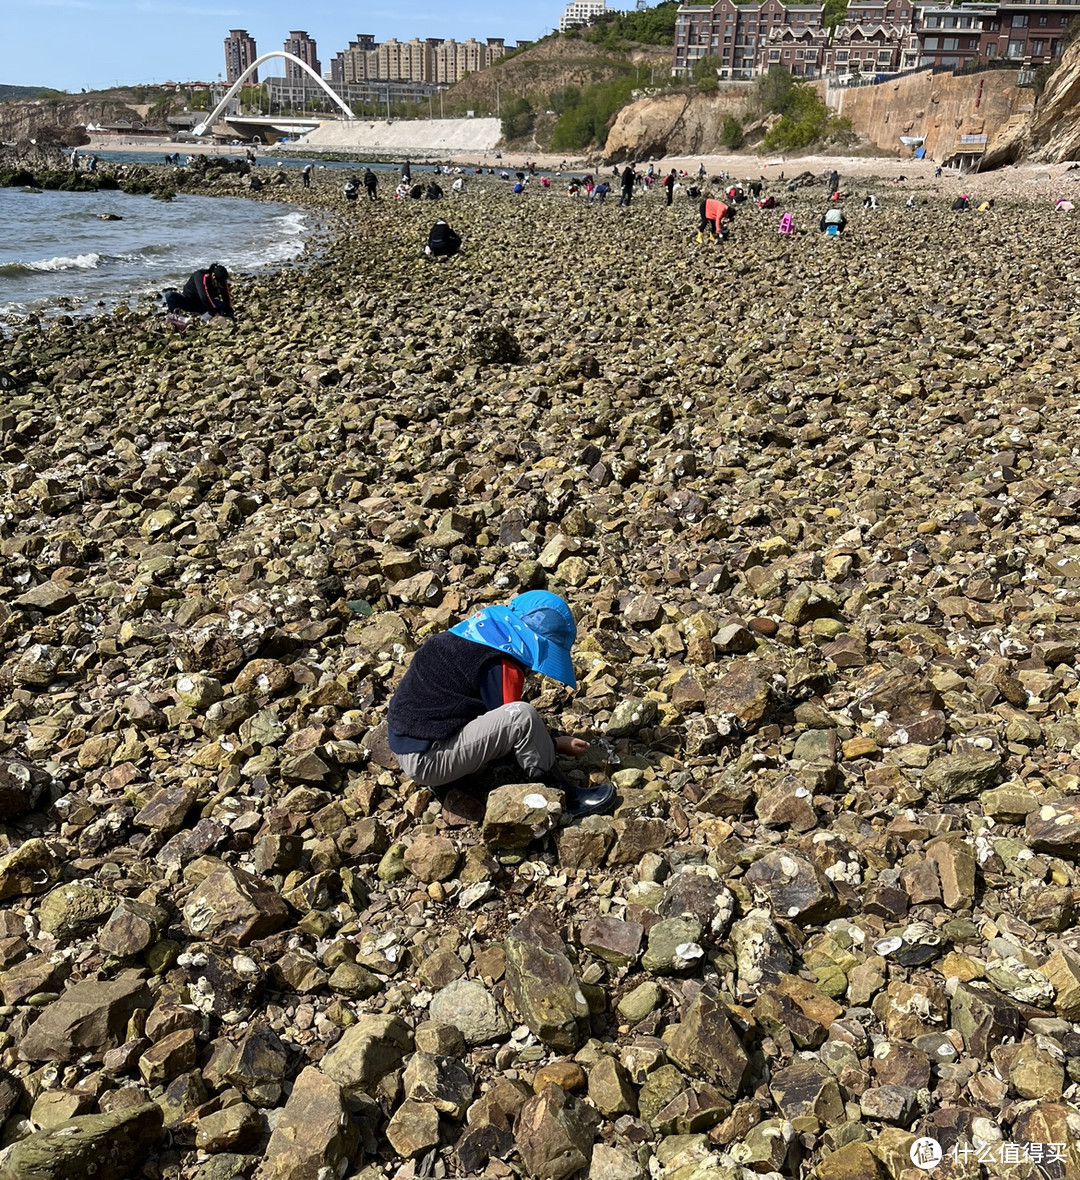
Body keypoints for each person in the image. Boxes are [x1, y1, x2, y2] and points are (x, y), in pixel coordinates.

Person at [386, 592, 615, 818]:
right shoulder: (501, 663)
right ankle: (563, 797)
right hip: (427, 760)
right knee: (522, 716)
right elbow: (514, 724)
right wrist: (552, 745)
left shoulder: (471, 635)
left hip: (405, 739)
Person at [164, 264, 234, 323]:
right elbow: (204, 295)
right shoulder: (200, 276)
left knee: (224, 306)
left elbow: (226, 296)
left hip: (203, 305)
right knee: (169, 295)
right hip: (189, 302)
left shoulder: (221, 281)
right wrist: (214, 312)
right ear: (213, 275)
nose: (220, 284)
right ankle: (176, 316)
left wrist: (229, 311)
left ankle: (206, 316)